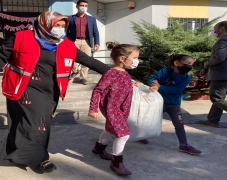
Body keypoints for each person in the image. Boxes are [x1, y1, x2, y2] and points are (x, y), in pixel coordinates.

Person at [0, 11, 110, 173]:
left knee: (22, 123)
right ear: (45, 23)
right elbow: (1, 56)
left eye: (63, 26)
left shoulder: (66, 45)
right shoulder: (22, 37)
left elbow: (88, 61)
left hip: (51, 91)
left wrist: (118, 74)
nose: (60, 29)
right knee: (40, 125)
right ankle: (41, 159)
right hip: (24, 88)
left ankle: (16, 154)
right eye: (57, 25)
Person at [88, 42, 140, 176]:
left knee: (110, 129)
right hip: (112, 108)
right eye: (134, 58)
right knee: (123, 134)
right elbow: (98, 90)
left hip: (122, 109)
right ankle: (116, 162)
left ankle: (98, 148)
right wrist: (93, 108)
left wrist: (133, 85)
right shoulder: (111, 73)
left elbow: (121, 87)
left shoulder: (124, 73)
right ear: (122, 59)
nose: (136, 61)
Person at [145, 54, 201, 155]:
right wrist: (154, 84)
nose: (190, 66)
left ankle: (184, 145)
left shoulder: (186, 78)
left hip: (174, 105)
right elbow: (152, 78)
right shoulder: (164, 71)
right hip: (158, 102)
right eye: (188, 63)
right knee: (149, 120)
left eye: (192, 64)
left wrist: (160, 87)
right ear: (176, 63)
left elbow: (177, 90)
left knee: (179, 124)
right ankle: (141, 136)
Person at [199, 21, 227, 127]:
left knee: (217, 98)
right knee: (218, 98)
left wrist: (206, 64)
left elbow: (219, 58)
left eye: (215, 28)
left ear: (221, 28)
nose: (213, 30)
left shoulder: (224, 41)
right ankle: (212, 120)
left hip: (223, 75)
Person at [67, 0, 100, 85]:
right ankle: (75, 71)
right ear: (77, 6)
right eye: (82, 5)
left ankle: (83, 77)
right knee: (73, 58)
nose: (84, 7)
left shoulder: (92, 19)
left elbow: (95, 32)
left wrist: (97, 42)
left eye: (86, 6)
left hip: (87, 41)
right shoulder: (70, 18)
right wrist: (65, 42)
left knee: (86, 60)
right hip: (74, 41)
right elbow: (66, 31)